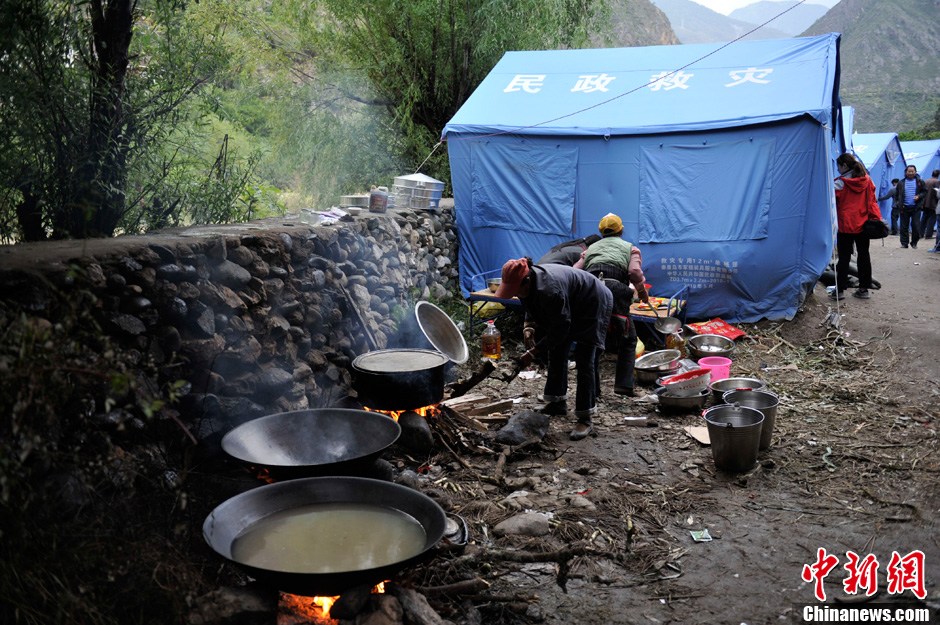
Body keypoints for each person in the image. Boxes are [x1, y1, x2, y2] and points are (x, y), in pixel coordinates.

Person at [495, 257, 612, 440]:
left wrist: (533, 352)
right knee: (556, 351)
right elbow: (529, 301)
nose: (515, 294)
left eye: (515, 290)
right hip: (570, 301)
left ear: (526, 282)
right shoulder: (530, 283)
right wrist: (529, 325)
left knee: (584, 359)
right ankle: (557, 402)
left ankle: (585, 418)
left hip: (593, 301)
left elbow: (561, 329)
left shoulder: (550, 290)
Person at [574, 213, 651, 397]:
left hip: (590, 290)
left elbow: (576, 271)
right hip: (615, 291)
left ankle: (593, 389)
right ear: (621, 230)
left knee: (591, 340)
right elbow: (633, 271)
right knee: (628, 338)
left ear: (601, 232)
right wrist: (642, 292)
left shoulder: (590, 249)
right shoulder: (630, 248)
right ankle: (624, 386)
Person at [832, 153, 882, 300]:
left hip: (846, 226)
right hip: (864, 225)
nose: (838, 169)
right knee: (864, 256)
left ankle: (839, 291)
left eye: (839, 166)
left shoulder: (840, 183)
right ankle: (864, 289)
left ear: (844, 166)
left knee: (844, 258)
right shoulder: (867, 180)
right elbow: (873, 199)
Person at [889, 165, 926, 249]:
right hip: (904, 208)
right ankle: (904, 243)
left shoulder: (920, 182)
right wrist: (898, 203)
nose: (910, 173)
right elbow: (897, 194)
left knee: (916, 226)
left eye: (912, 171)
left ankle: (914, 243)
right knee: (904, 226)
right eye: (909, 171)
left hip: (916, 208)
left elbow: (925, 192)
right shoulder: (901, 183)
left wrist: (919, 196)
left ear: (915, 172)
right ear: (906, 172)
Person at [920, 169, 939, 240]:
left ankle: (920, 233)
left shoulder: (926, 181)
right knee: (932, 219)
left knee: (924, 218)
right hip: (933, 204)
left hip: (925, 203)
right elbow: (937, 193)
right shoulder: (937, 181)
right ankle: (928, 235)